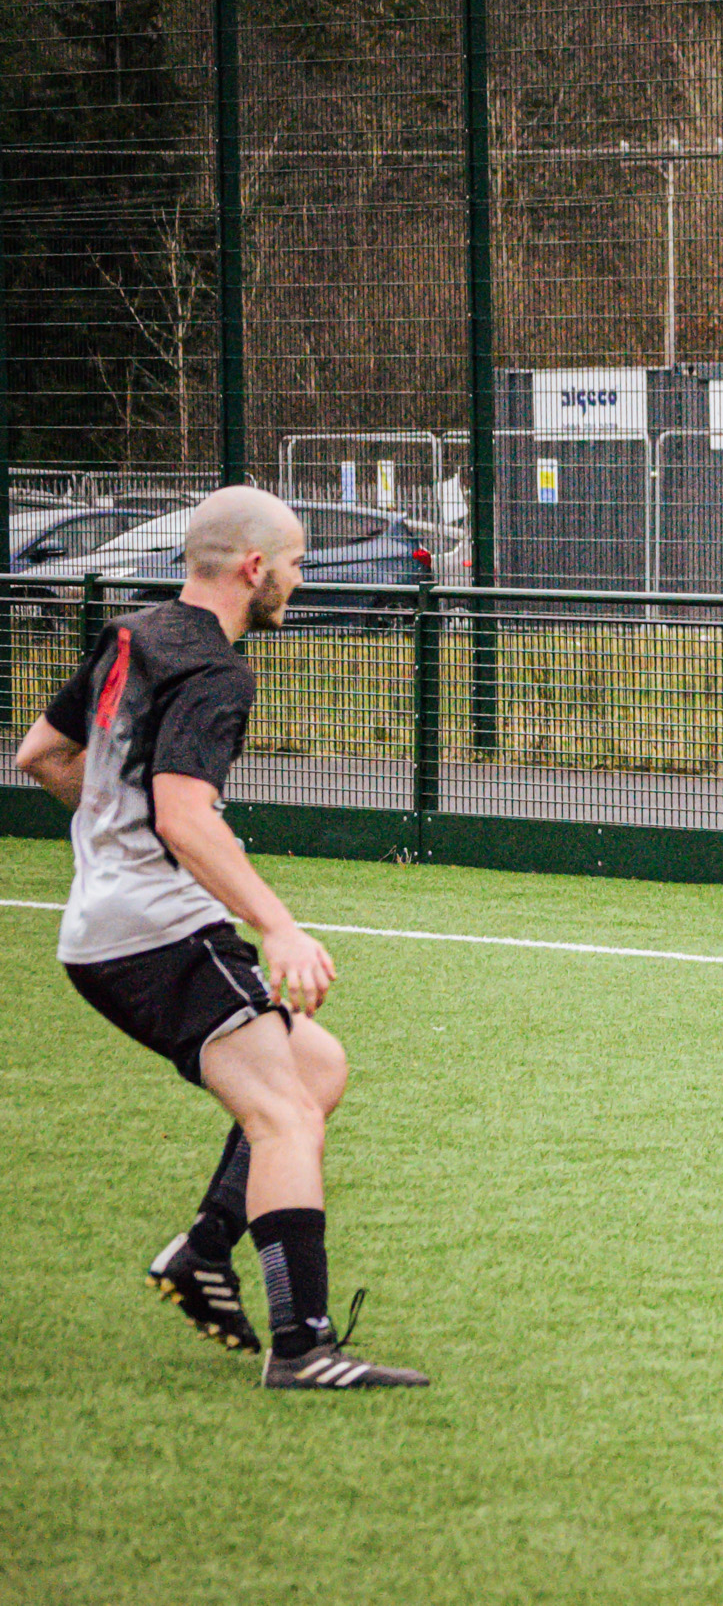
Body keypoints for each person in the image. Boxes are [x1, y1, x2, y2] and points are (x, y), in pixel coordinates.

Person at [13, 485, 427, 1389]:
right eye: (297, 564)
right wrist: (278, 926)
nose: (300, 580)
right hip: (157, 931)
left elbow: (39, 754)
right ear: (254, 567)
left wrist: (115, 827)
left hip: (103, 928)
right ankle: (303, 1346)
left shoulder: (132, 635)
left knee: (317, 1069)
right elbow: (183, 815)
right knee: (283, 1114)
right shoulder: (216, 672)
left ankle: (203, 1251)